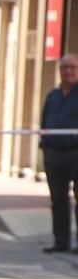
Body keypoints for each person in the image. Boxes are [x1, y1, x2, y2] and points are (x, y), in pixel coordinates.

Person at [40, 53, 78, 254]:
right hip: (54, 153)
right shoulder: (53, 96)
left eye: (73, 67)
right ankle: (61, 241)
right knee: (58, 199)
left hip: (76, 153)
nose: (68, 71)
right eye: (65, 68)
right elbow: (44, 121)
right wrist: (45, 145)